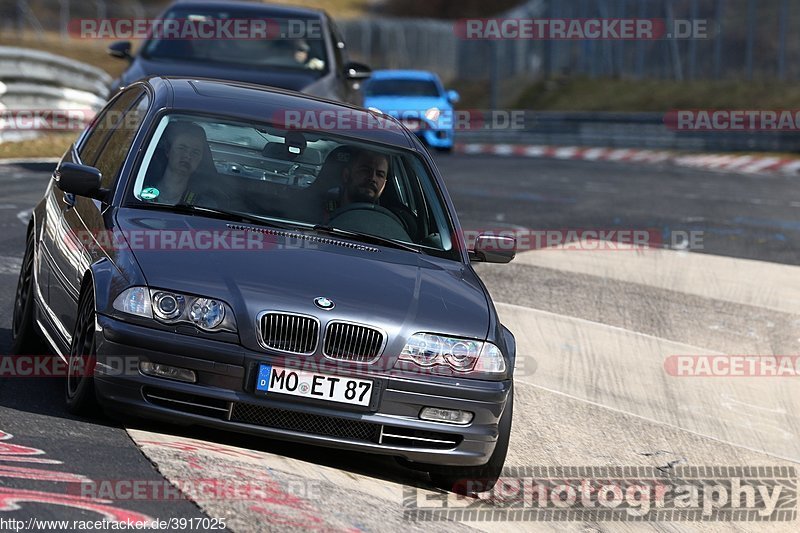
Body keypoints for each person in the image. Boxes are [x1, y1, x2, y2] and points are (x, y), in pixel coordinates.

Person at [143, 122, 209, 205]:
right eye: (182, 148)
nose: (188, 156)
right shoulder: (138, 189)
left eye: (195, 152)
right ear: (168, 151)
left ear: (201, 159)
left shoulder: (204, 204)